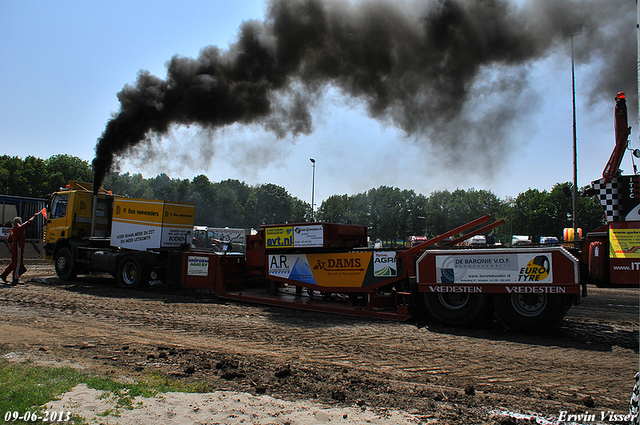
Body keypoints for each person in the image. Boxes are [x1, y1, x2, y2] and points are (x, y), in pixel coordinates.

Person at [1, 211, 40, 285]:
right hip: (18, 246)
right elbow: (27, 224)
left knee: (14, 262)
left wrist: (11, 248)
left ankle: (4, 274)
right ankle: (15, 278)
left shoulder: (13, 230)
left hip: (14, 246)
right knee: (18, 263)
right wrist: (34, 217)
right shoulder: (18, 228)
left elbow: (9, 240)